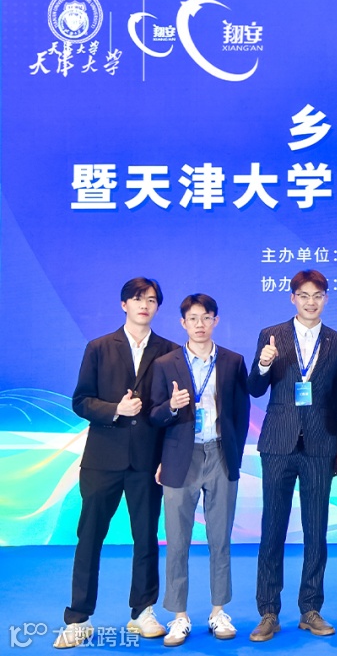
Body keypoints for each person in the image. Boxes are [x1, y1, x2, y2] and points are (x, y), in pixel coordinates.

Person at [55, 277, 178, 648]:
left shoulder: (170, 351)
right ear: (124, 304)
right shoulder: (98, 347)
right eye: (137, 299)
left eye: (151, 300)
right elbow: (81, 401)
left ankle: (142, 612)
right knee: (90, 538)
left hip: (147, 462)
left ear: (157, 307)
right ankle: (78, 618)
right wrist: (115, 410)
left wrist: (166, 458)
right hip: (102, 460)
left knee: (146, 538)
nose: (144, 305)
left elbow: (169, 411)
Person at [247, 270, 337, 642]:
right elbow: (254, 388)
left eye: (317, 295)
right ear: (292, 298)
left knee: (316, 531)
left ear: (326, 299)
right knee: (272, 529)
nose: (310, 302)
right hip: (278, 443)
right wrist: (263, 363)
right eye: (303, 295)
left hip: (320, 446)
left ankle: (310, 608)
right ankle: (268, 611)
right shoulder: (271, 335)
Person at [149, 294, 250, 645]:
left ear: (216, 321)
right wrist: (171, 406)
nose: (200, 324)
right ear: (183, 323)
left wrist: (234, 456)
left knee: (220, 539)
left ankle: (218, 611)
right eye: (193, 318)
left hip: (220, 453)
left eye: (206, 317)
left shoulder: (233, 361)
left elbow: (241, 413)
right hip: (181, 457)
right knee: (177, 541)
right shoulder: (166, 363)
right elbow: (153, 415)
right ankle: (179, 615)